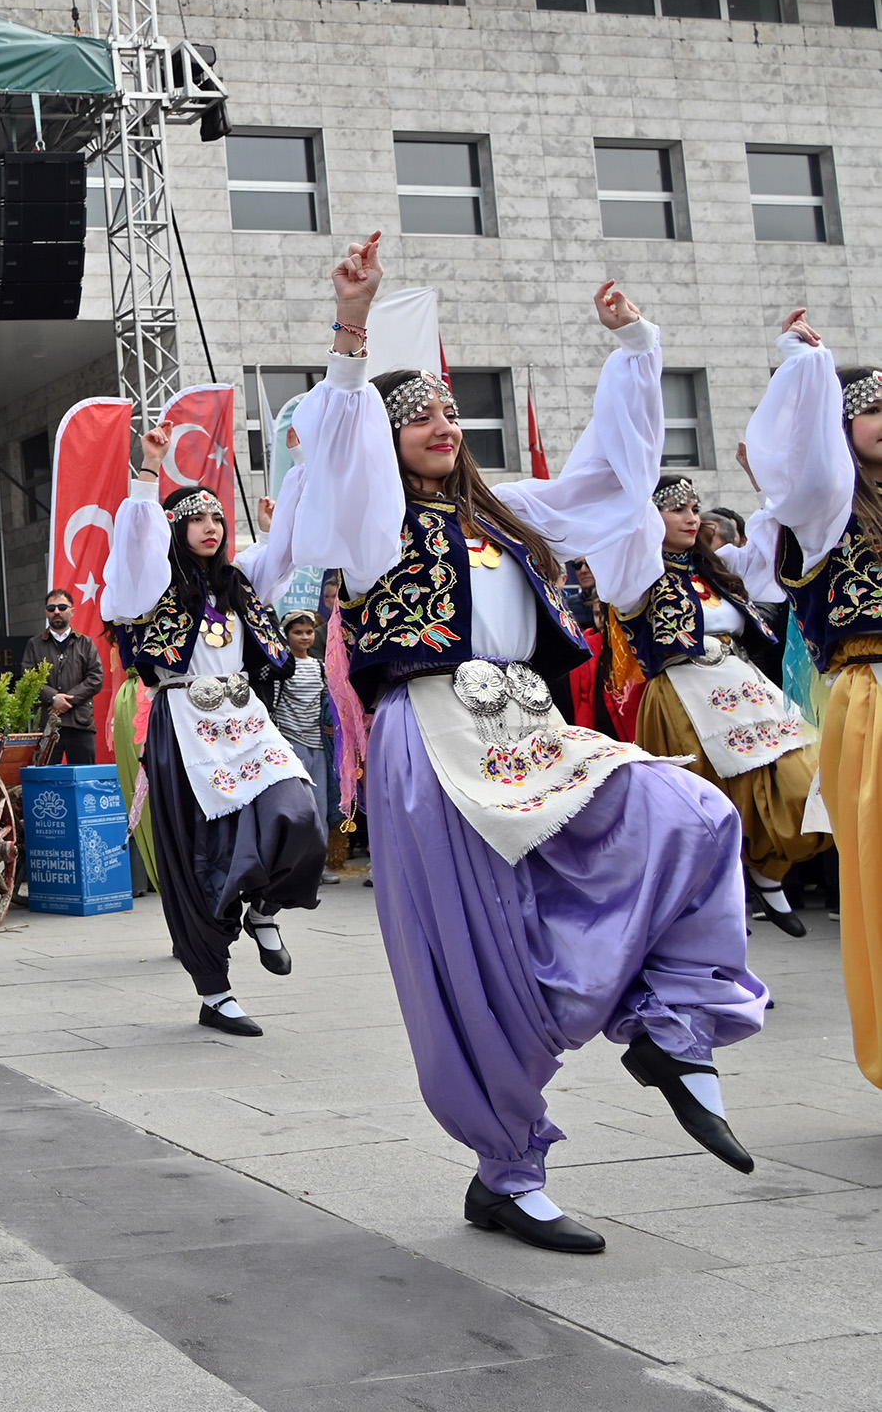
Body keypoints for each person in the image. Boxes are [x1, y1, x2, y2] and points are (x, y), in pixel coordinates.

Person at [284, 234, 762, 1256]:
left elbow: (612, 479)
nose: (439, 426)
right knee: (482, 954)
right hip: (431, 741)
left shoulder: (504, 520)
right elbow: (336, 453)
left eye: (448, 412)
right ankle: (506, 1171)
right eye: (413, 417)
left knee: (691, 814)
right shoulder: (369, 525)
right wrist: (352, 331)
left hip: (526, 729)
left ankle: (674, 1035)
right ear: (381, 437)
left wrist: (636, 349)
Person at [105, 440, 326, 1038]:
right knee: (202, 860)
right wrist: (148, 475)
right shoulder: (152, 587)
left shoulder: (238, 583)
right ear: (174, 529)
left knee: (302, 814)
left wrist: (303, 469)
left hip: (247, 721)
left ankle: (265, 909)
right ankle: (215, 991)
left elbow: (283, 552)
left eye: (217, 517)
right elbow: (135, 552)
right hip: (183, 726)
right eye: (196, 518)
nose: (211, 526)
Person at [735, 309, 882, 1089]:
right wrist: (807, 372)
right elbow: (812, 469)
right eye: (870, 409)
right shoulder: (824, 511)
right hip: (873, 696)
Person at [619, 476, 823, 938]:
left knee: (806, 780)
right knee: (704, 815)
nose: (692, 517)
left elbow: (774, 544)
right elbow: (620, 546)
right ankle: (722, 943)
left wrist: (764, 483)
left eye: (694, 507)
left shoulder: (718, 567)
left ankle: (768, 870)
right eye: (677, 509)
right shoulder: (638, 574)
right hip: (683, 697)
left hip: (744, 688)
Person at [258, 608, 341, 875]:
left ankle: (318, 866)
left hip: (318, 746)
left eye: (308, 632)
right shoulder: (282, 668)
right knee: (296, 808)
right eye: (298, 632)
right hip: (290, 745)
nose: (305, 637)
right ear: (287, 635)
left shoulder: (319, 666)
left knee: (319, 806)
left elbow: (326, 703)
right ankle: (293, 867)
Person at [19, 588, 103, 763]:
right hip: (46, 725)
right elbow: (28, 679)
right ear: (46, 613)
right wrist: (53, 697)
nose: (56, 611)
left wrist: (67, 701)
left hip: (80, 723)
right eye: (51, 608)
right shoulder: (34, 644)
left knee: (84, 780)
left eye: (62, 607)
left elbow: (96, 678)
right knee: (47, 782)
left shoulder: (85, 643)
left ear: (72, 611)